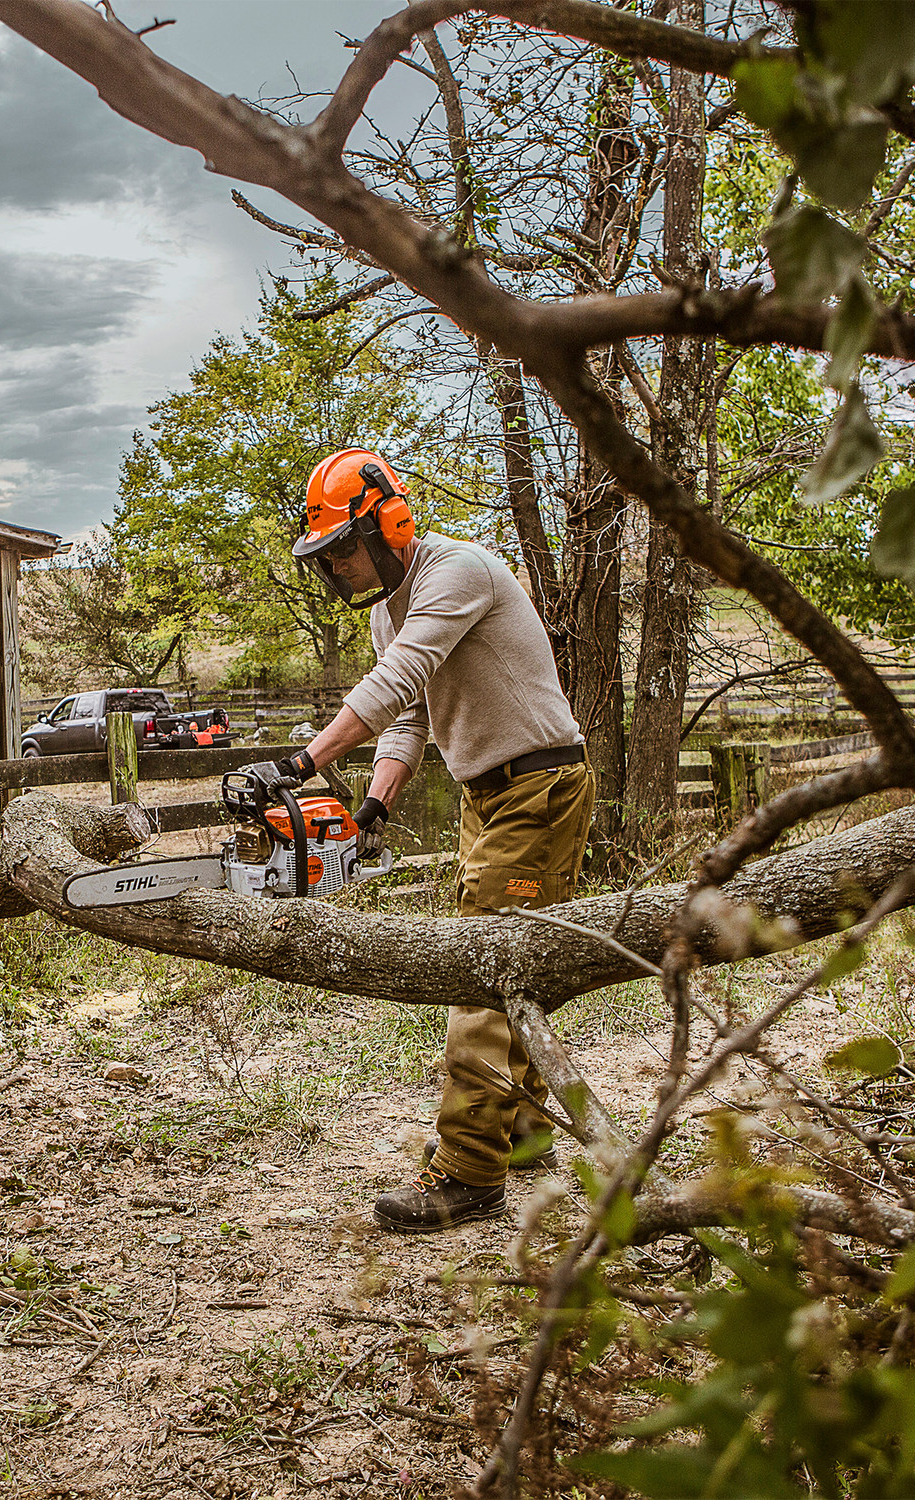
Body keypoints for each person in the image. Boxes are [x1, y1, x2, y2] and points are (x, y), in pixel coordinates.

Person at [251, 449, 594, 1233]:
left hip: (540, 785)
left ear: (388, 524)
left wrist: (300, 763)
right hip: (488, 794)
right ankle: (525, 1131)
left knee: (482, 973)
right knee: (521, 964)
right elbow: (410, 717)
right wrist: (371, 809)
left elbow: (398, 681)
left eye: (343, 547)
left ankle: (470, 1175)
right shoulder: (384, 610)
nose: (337, 564)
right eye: (326, 555)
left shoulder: (459, 571)